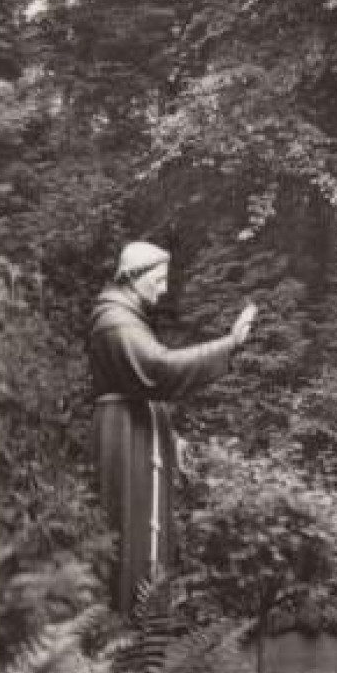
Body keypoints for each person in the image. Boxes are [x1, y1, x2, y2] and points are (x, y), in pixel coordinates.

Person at [89, 241, 258, 613]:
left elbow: (142, 384)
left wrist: (171, 436)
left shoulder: (127, 316)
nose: (164, 289)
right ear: (133, 277)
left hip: (137, 433)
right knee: (131, 531)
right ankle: (130, 644)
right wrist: (229, 344)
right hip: (125, 437)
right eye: (159, 279)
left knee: (145, 531)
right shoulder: (114, 320)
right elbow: (157, 370)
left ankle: (146, 639)